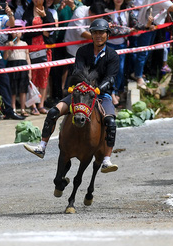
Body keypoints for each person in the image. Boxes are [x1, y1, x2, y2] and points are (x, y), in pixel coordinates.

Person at [24, 19, 119, 173]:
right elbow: (78, 71)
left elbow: (110, 78)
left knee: (111, 121)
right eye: (95, 32)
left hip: (101, 95)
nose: (98, 35)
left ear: (107, 34)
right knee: (54, 111)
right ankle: (42, 146)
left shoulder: (113, 55)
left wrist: (98, 89)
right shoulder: (82, 51)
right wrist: (85, 88)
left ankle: (107, 160)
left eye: (101, 32)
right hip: (80, 93)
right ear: (91, 34)